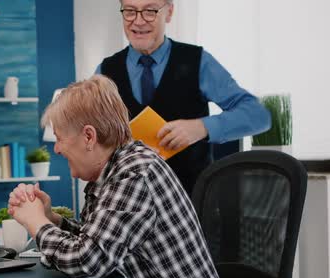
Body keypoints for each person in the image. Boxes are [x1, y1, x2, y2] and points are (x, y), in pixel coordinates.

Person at [7, 75, 235, 278]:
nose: (57, 148)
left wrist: (36, 223)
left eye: (59, 138)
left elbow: (88, 259)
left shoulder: (135, 173)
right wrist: (52, 220)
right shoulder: (111, 172)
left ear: (89, 137)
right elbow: (98, 241)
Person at [97, 0, 270, 195]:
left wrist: (202, 127)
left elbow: (258, 115)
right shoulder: (105, 72)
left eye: (150, 11)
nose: (138, 21)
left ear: (169, 13)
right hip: (129, 206)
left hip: (193, 205)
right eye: (130, 11)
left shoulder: (198, 62)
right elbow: (92, 138)